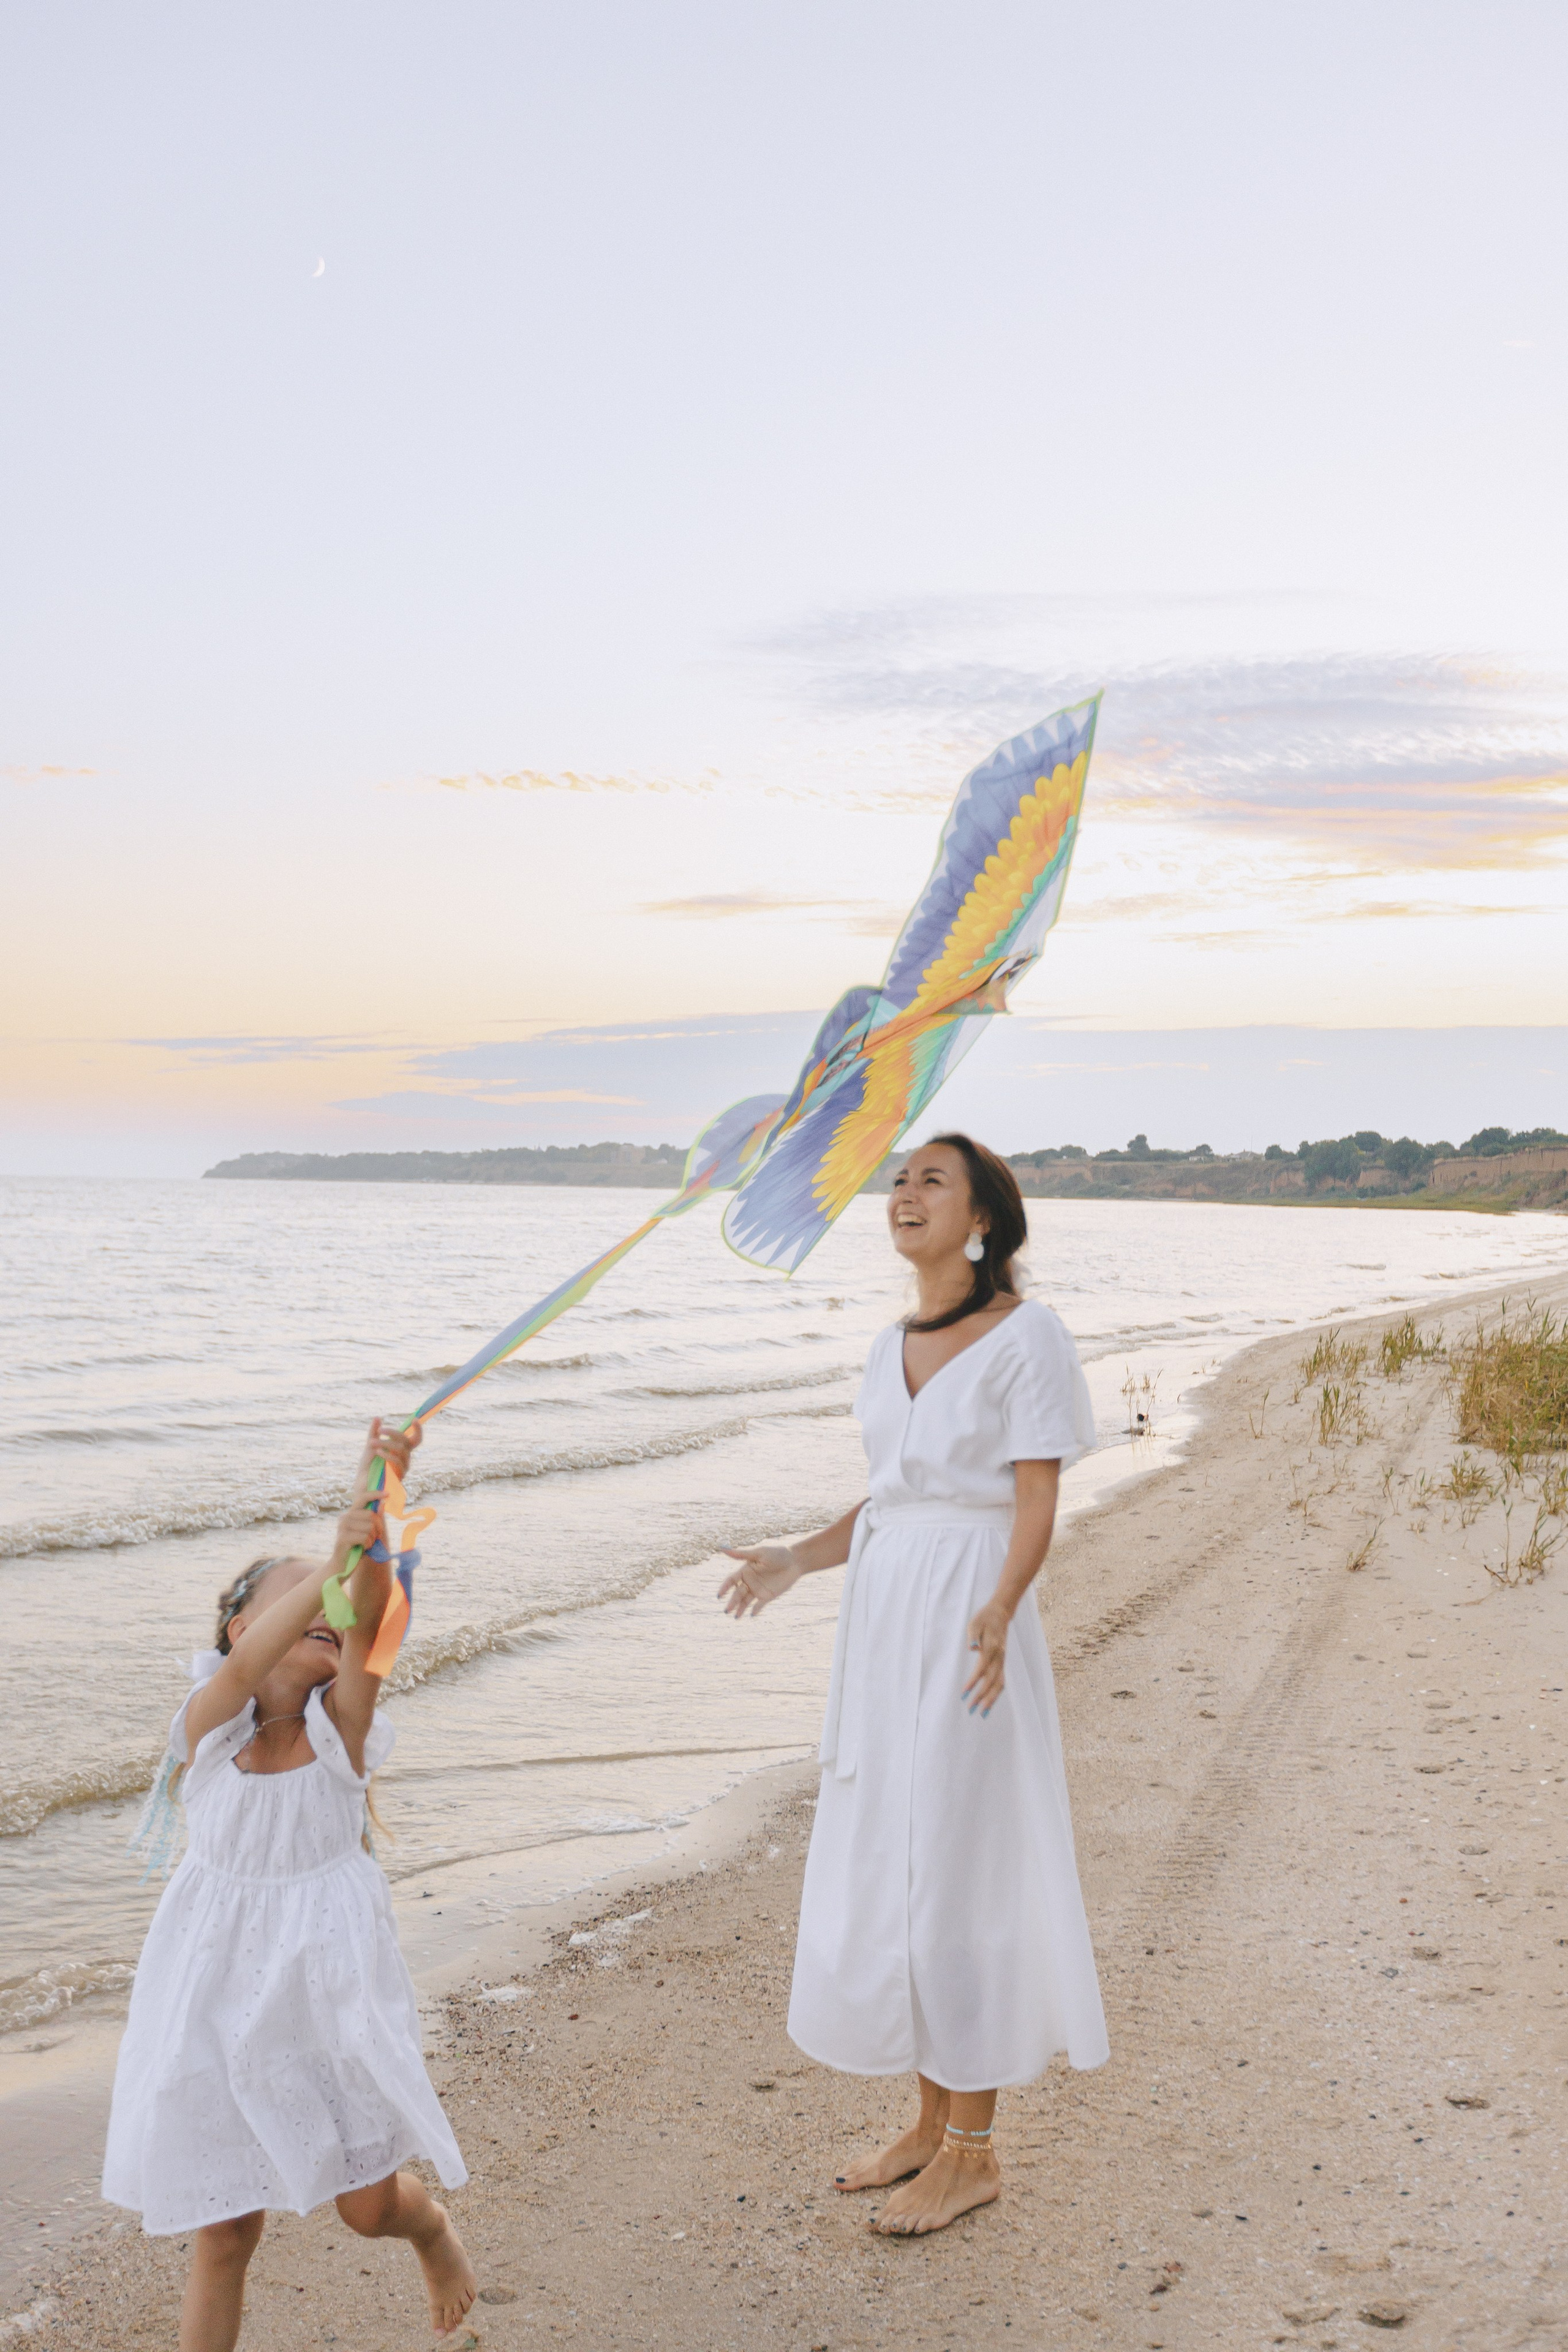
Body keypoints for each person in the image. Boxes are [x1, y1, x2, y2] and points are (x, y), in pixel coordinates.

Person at [719, 1133, 1108, 2236]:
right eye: (897, 1178)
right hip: (887, 1619)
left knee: (962, 1865)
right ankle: (932, 2126)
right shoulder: (890, 1342)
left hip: (968, 1620)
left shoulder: (1028, 1336)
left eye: (932, 1179)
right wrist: (797, 1559)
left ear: (983, 1219)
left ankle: (977, 2152)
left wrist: (1001, 1602)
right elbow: (889, 1498)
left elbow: (1034, 1499)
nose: (904, 1192)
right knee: (899, 1858)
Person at [102, 1419, 477, 2350]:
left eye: (331, 1597)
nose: (327, 1602)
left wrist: (376, 1493)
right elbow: (239, 1672)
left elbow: (377, 1606)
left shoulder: (340, 1732)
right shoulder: (212, 1732)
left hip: (323, 1991)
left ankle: (429, 2231)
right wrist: (327, 1563)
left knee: (366, 2208)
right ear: (243, 1625)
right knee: (224, 2231)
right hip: (214, 1995)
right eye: (300, 1596)